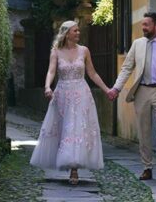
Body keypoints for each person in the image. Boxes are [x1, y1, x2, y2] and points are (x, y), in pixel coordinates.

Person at [107, 12, 156, 182]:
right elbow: (127, 68)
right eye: (143, 25)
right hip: (141, 91)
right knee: (144, 132)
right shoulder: (137, 44)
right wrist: (116, 88)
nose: (143, 28)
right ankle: (147, 168)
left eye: (146, 25)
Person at [30, 20, 110, 185]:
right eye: (75, 31)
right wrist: (47, 87)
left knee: (76, 129)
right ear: (67, 34)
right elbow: (51, 71)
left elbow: (93, 73)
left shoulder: (84, 51)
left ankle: (74, 169)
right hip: (62, 94)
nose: (78, 33)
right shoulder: (56, 51)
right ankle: (66, 161)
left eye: (79, 31)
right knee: (64, 128)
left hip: (81, 94)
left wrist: (106, 89)